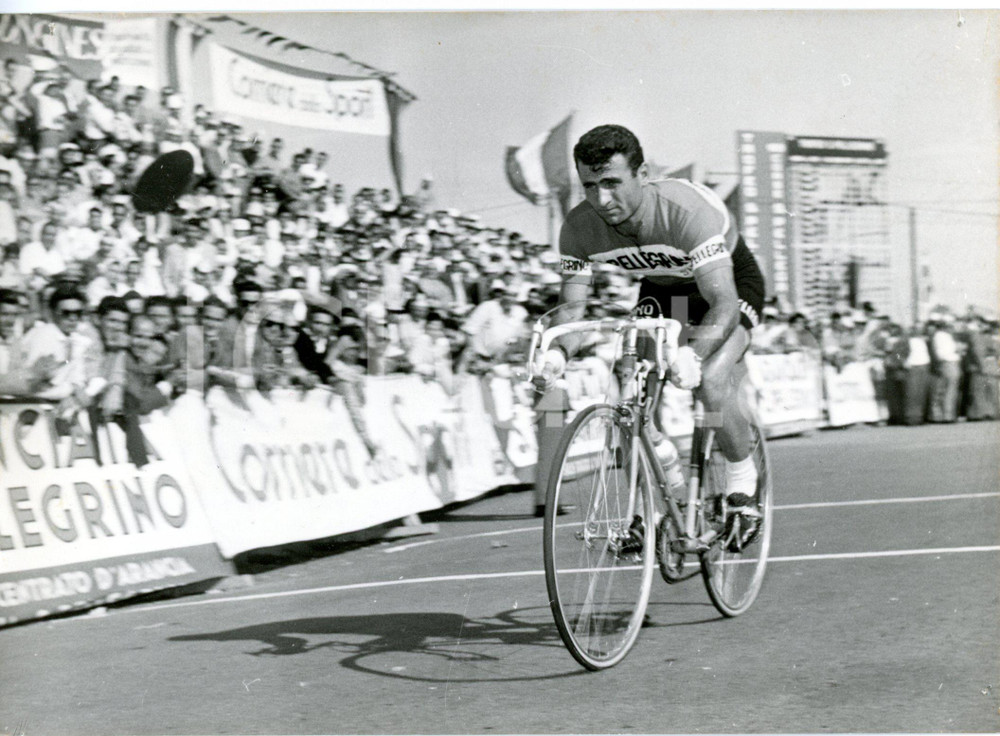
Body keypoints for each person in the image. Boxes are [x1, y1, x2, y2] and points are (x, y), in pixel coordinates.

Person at [535, 124, 766, 538]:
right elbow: (572, 310)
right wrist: (556, 355)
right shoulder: (578, 227)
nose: (602, 200)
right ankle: (659, 500)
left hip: (724, 287)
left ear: (642, 176)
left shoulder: (683, 211)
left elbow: (723, 303)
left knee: (710, 382)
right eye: (589, 186)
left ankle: (741, 484)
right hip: (664, 290)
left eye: (612, 183)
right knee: (628, 399)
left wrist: (692, 353)